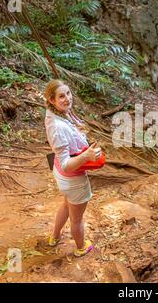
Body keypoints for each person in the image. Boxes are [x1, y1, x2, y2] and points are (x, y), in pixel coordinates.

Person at [43, 79, 101, 257]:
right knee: (77, 219)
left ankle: (54, 237)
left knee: (67, 206)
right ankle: (81, 248)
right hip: (72, 178)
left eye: (68, 93)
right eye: (61, 96)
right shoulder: (58, 128)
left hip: (60, 173)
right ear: (52, 100)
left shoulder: (56, 113)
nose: (67, 98)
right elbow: (67, 164)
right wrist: (87, 156)